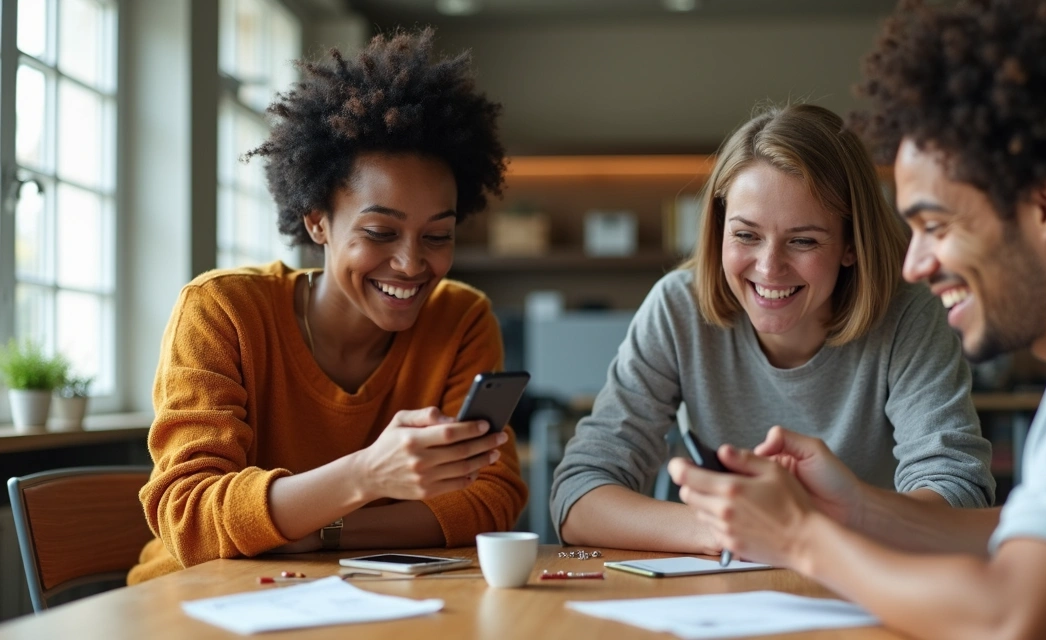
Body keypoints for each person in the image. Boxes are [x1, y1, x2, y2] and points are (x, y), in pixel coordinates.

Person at [671, 1, 1046, 638]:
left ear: (1045, 207)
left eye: (937, 225)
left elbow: (1014, 617)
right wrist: (853, 509)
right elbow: (1025, 534)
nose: (915, 264)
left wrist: (800, 537)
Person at [129, 29, 527, 584]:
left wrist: (316, 533)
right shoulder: (222, 310)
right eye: (381, 231)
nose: (412, 264)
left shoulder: (460, 319)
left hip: (374, 596)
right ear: (318, 220)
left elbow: (488, 501)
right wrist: (367, 475)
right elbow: (191, 519)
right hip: (200, 603)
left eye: (438, 236)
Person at [552, 103, 996, 553]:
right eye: (746, 235)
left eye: (803, 241)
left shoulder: (908, 314)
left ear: (849, 244)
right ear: (719, 227)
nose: (769, 268)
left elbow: (959, 494)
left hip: (860, 592)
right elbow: (578, 495)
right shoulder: (676, 307)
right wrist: (730, 529)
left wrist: (799, 532)